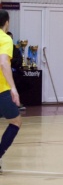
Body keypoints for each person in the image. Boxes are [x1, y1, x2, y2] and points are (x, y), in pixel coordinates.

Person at [0, 10, 23, 175]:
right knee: (16, 122)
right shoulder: (5, 38)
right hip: (1, 89)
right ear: (6, 23)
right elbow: (3, 63)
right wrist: (13, 88)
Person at [6, 32, 25, 112]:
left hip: (14, 71)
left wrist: (11, 61)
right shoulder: (2, 48)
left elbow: (19, 61)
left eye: (11, 38)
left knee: (19, 78)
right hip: (4, 72)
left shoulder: (16, 50)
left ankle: (16, 103)